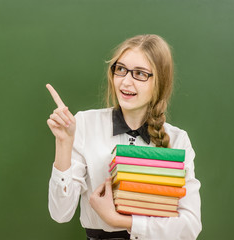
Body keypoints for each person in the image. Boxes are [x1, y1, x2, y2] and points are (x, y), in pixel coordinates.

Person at [46, 34, 202, 240]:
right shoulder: (84, 124)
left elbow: (190, 227)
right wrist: (63, 144)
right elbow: (61, 213)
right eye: (120, 69)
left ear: (160, 81)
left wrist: (121, 221)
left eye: (139, 73)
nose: (126, 81)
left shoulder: (178, 139)